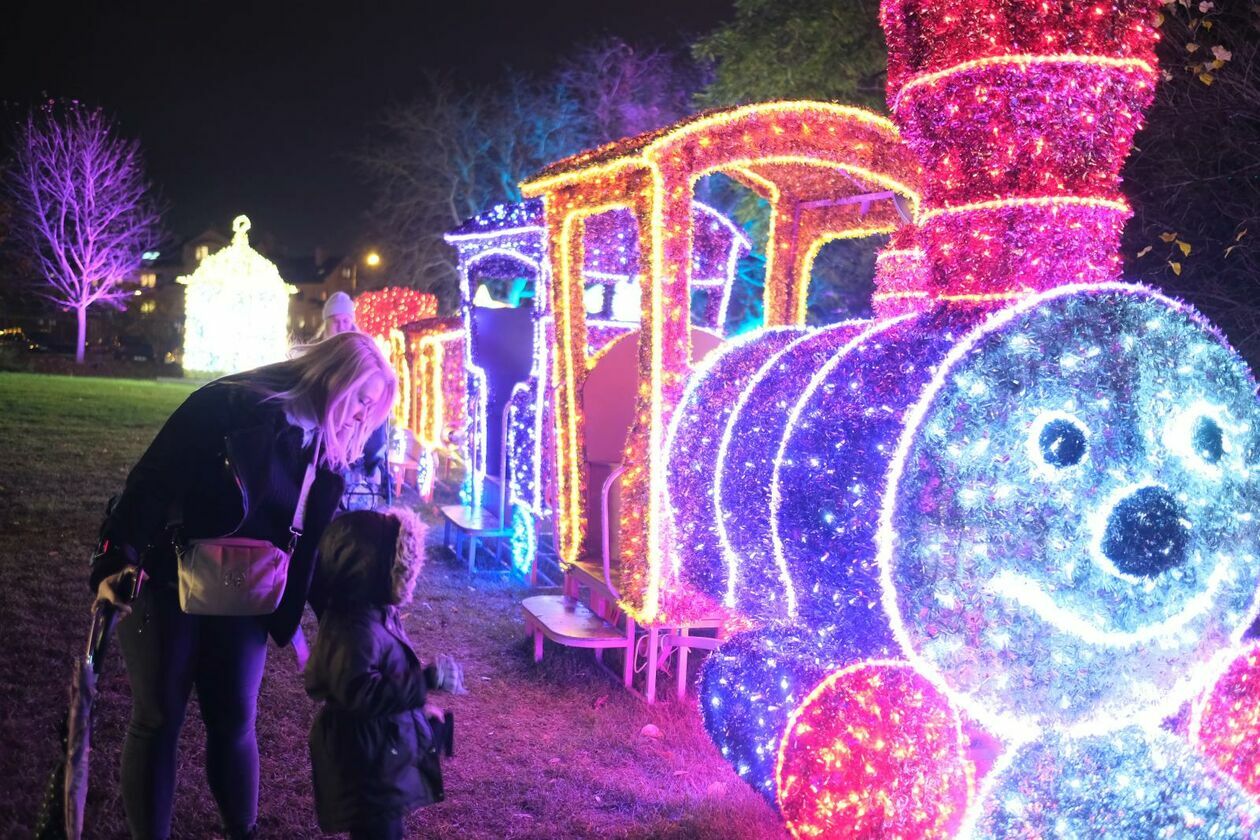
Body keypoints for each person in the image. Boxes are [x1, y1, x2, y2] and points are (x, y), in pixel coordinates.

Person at [92, 332, 397, 840]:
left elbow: (317, 548)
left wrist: (362, 622)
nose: (365, 416)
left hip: (247, 595)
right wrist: (114, 561)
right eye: (363, 398)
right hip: (166, 578)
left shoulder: (326, 448)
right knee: (158, 717)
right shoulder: (225, 405)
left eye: (375, 407)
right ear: (332, 374)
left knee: (234, 718)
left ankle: (243, 832)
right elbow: (150, 482)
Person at [305, 509, 444, 840]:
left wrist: (422, 719)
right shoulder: (355, 628)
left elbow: (386, 677)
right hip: (366, 765)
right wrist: (422, 683)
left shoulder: (376, 611)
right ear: (369, 567)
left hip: (380, 754)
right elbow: (361, 693)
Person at [318, 289, 392, 508]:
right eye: (336, 321)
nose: (342, 326)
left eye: (346, 320)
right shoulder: (317, 355)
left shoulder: (365, 352)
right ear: (326, 323)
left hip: (357, 435)